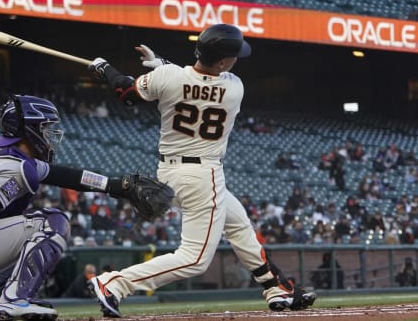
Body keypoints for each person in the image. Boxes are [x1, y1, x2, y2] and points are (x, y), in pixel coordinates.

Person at [87, 23, 316, 317]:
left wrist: (105, 69)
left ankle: (276, 287)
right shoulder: (234, 86)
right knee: (194, 259)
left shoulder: (168, 77)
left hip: (170, 172)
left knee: (238, 225)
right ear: (222, 61)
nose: (235, 60)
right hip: (203, 176)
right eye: (232, 56)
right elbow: (196, 80)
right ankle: (115, 284)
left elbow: (128, 92)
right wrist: (162, 63)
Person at [0, 95, 156, 321]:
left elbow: (67, 176)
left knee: (25, 240)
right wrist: (2, 227)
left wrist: (113, 186)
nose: (51, 135)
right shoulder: (15, 167)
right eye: (45, 127)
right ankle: (14, 300)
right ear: (29, 129)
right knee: (52, 223)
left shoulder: (9, 159)